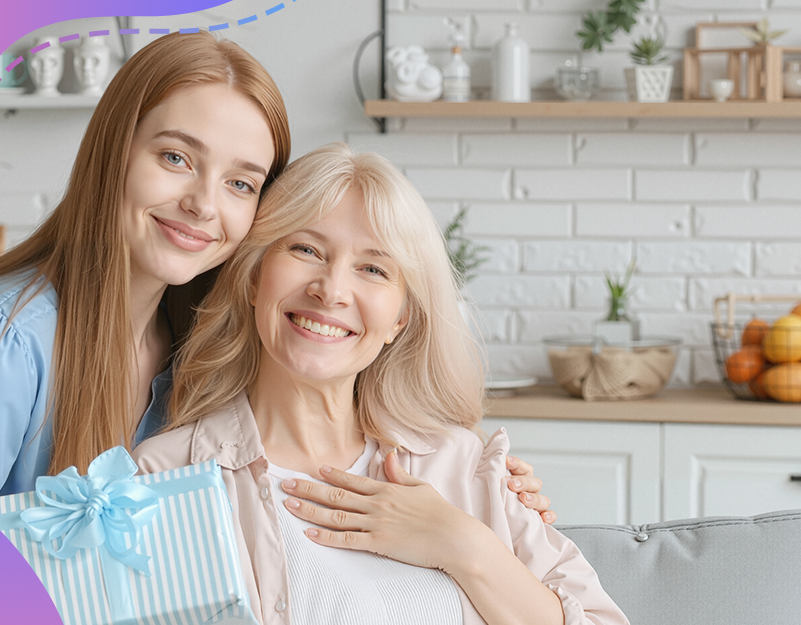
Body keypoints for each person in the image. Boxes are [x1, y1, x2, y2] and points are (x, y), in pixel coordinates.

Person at [0, 32, 554, 523]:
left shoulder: (195, 344)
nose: (204, 204)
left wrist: (484, 494)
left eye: (240, 181)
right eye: (176, 157)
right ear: (113, 151)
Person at [132, 143, 627, 625]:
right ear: (254, 277)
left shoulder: (462, 465)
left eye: (372, 268)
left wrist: (464, 546)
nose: (331, 289)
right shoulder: (163, 478)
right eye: (306, 249)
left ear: (399, 318)